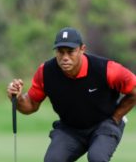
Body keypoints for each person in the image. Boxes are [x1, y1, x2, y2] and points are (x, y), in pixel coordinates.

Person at [7, 27, 136, 162]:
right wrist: (17, 98)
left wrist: (116, 118)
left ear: (82, 49)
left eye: (70, 52)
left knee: (97, 158)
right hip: (70, 129)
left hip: (104, 123)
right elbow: (31, 105)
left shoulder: (107, 69)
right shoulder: (46, 72)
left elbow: (134, 91)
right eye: (60, 52)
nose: (65, 58)